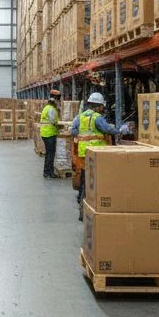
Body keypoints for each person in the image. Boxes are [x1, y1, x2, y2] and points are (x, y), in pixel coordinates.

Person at [72, 92, 129, 220]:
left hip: (83, 153)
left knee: (84, 180)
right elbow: (107, 129)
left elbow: (73, 131)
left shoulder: (80, 117)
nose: (103, 108)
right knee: (95, 181)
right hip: (96, 154)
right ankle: (91, 207)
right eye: (102, 106)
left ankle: (82, 206)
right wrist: (119, 130)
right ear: (97, 106)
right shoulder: (97, 118)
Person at [39, 90, 62, 178]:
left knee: (49, 153)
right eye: (58, 100)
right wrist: (60, 126)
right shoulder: (51, 109)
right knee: (50, 154)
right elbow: (53, 121)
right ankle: (49, 173)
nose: (58, 102)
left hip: (46, 133)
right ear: (55, 99)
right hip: (49, 134)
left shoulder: (47, 107)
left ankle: (47, 172)